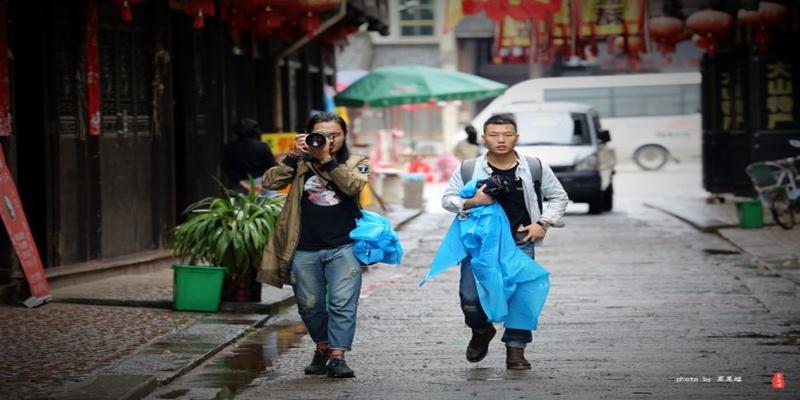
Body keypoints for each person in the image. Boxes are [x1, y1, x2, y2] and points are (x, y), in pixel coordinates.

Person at [441, 113, 568, 370]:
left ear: (516, 137)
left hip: (519, 241)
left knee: (521, 296)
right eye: (495, 135)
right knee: (471, 299)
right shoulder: (468, 168)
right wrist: (472, 202)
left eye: (508, 134)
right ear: (484, 138)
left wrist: (543, 224)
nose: (501, 140)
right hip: (478, 246)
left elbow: (558, 197)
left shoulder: (534, 167)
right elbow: (447, 199)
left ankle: (516, 350)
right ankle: (481, 330)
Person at [257, 112, 370, 378]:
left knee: (342, 302)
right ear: (308, 135)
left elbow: (353, 187)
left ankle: (338, 356)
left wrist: (327, 159)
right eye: (322, 135)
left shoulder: (357, 162)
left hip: (345, 245)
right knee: (309, 304)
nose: (329, 140)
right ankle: (323, 348)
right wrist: (294, 156)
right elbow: (270, 182)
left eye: (335, 135)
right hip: (304, 247)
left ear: (345, 135)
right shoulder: (299, 162)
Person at [223, 118, 276, 194]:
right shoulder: (262, 146)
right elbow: (271, 167)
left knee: (242, 205)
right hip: (263, 185)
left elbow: (228, 170)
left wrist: (246, 186)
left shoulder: (229, 148)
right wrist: (260, 184)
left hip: (241, 186)